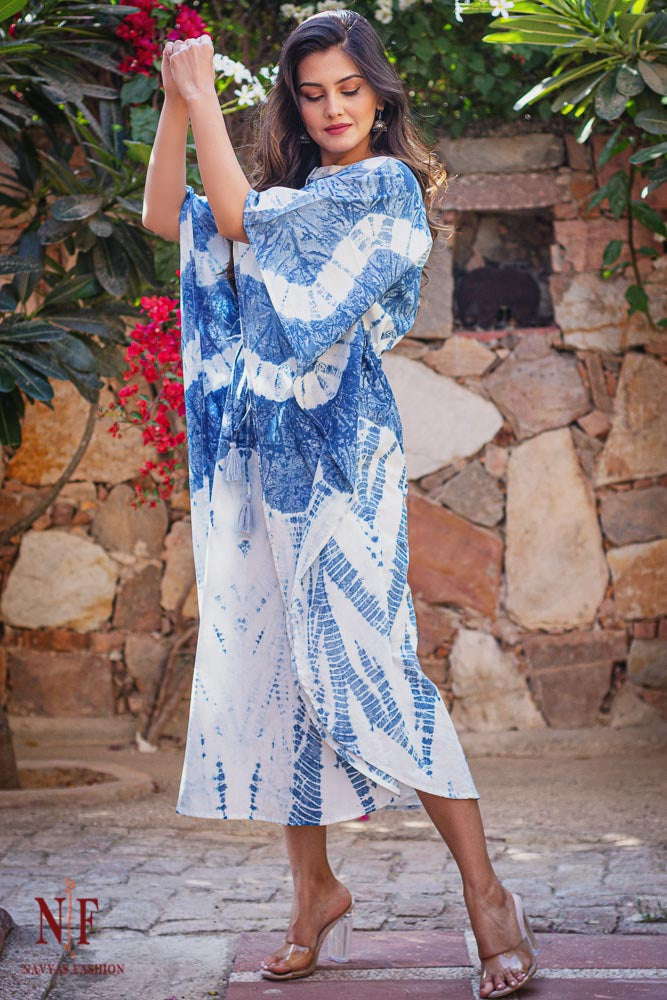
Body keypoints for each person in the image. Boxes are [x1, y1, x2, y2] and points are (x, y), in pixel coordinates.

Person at [142, 9, 540, 998]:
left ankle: (488, 896)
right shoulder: (285, 192)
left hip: (338, 461)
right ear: (293, 101)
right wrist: (176, 103)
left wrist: (201, 97)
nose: (331, 109)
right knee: (281, 670)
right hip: (260, 454)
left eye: (349, 90)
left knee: (367, 666)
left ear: (379, 94)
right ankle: (313, 891)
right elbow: (168, 217)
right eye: (312, 93)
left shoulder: (383, 188)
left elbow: (244, 227)